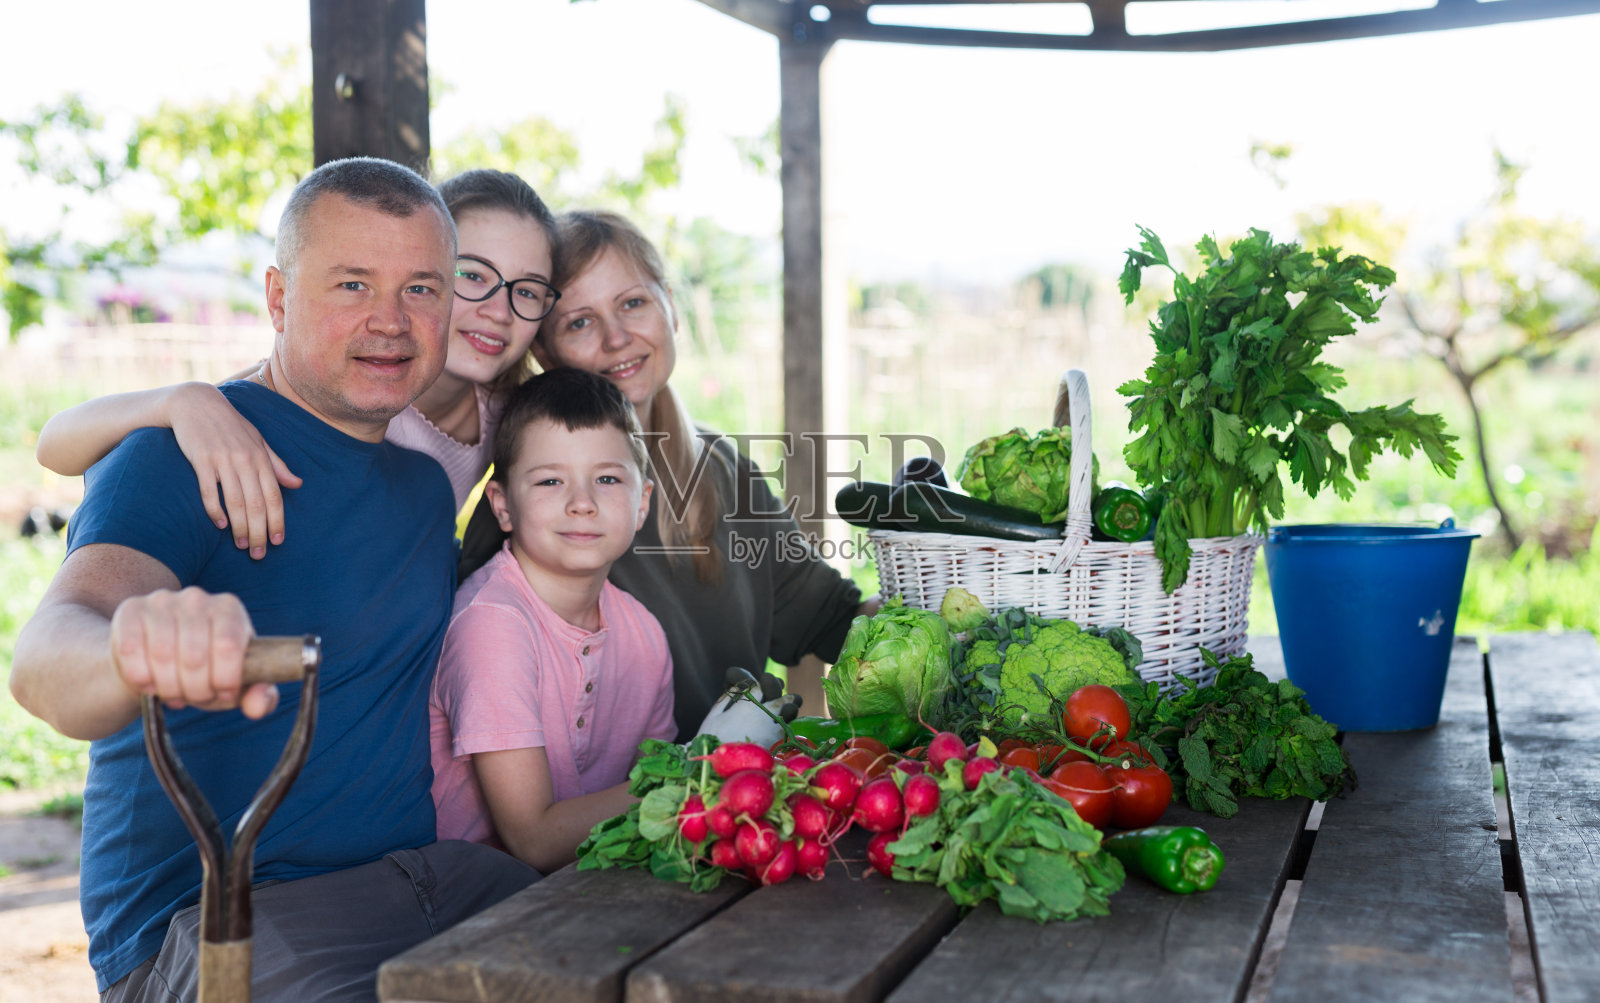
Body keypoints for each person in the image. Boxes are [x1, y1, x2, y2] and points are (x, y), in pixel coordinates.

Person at [8, 157, 537, 1002]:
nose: (391, 322)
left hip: (430, 882)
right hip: (228, 920)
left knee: (623, 951)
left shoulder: (424, 488)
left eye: (421, 289)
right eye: (353, 285)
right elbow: (42, 661)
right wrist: (130, 650)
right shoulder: (183, 455)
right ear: (279, 297)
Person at [461, 209, 880, 739]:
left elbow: (832, 619)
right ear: (543, 351)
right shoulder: (532, 498)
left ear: (672, 310)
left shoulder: (724, 467)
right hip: (609, 809)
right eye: (580, 322)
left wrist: (939, 583)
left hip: (733, 793)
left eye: (633, 303)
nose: (616, 339)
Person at [34, 167, 561, 551]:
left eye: (529, 289)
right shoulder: (353, 384)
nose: (498, 309)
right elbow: (55, 444)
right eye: (473, 275)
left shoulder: (509, 412)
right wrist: (183, 400)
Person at [429, 366, 675, 872]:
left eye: (607, 479)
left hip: (585, 890)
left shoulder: (645, 634)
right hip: (472, 904)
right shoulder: (491, 625)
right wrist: (698, 775)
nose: (581, 503)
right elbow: (533, 839)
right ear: (502, 506)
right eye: (550, 480)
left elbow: (650, 816)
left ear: (641, 503)